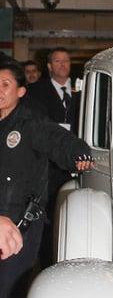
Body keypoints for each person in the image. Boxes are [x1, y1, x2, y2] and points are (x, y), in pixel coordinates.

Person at [0, 60, 93, 298]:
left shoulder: (30, 124)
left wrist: (77, 152)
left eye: (5, 85)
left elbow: (59, 140)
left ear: (21, 90)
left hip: (22, 227)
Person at [26, 47, 82, 269]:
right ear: (49, 66)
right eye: (57, 62)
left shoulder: (82, 90)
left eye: (66, 61)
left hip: (77, 160)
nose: (63, 65)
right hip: (50, 163)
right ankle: (47, 260)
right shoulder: (37, 91)